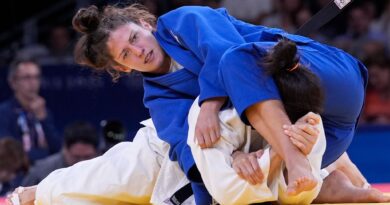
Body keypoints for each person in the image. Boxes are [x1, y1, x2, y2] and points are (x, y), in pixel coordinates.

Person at [0, 58, 61, 164]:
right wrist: (42, 156)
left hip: (44, 173)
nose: (33, 83)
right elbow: (10, 152)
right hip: (17, 173)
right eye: (27, 78)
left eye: (36, 77)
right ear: (13, 82)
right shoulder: (4, 112)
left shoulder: (44, 111)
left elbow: (57, 149)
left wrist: (43, 119)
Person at [21, 121, 99, 186]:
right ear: (64, 149)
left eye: (87, 157)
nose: (82, 163)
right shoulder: (40, 172)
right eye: (76, 157)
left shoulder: (105, 169)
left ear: (97, 152)